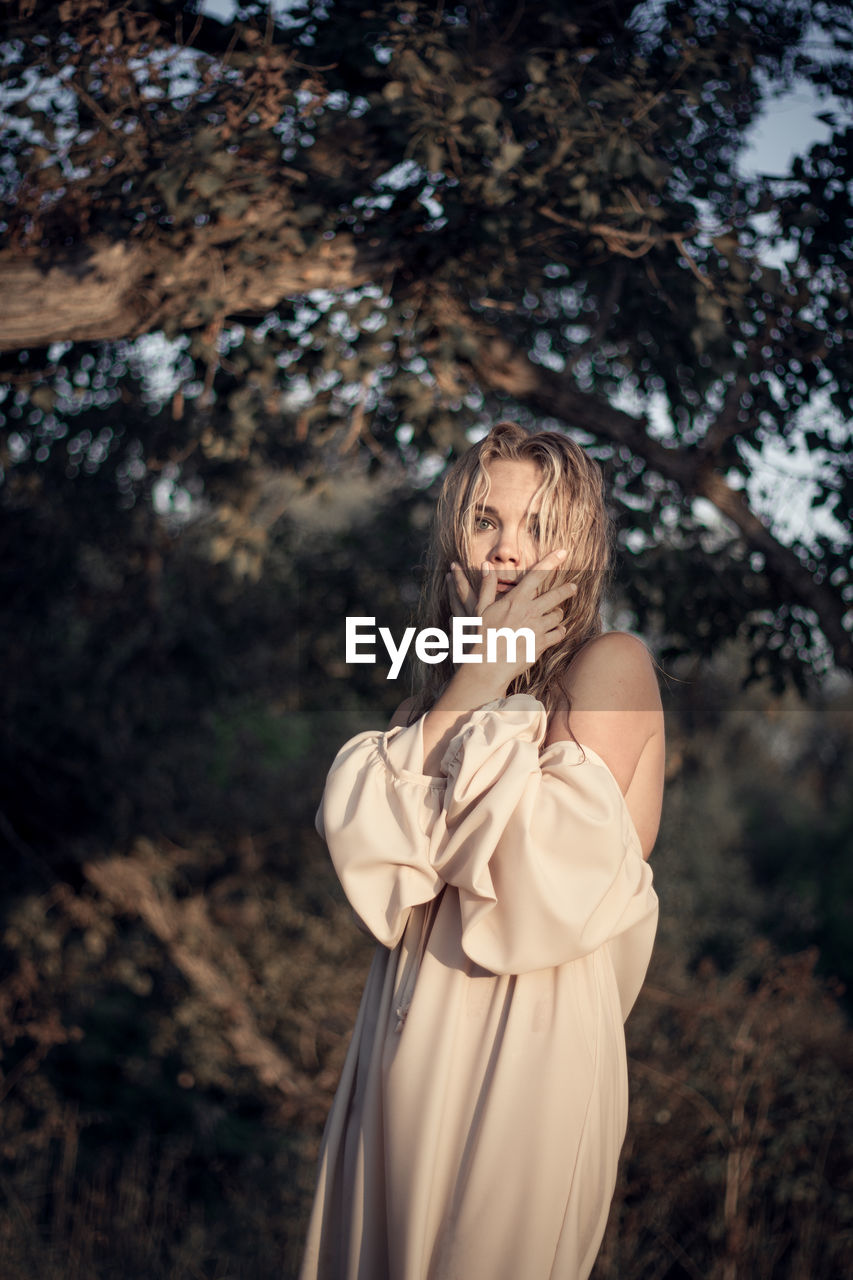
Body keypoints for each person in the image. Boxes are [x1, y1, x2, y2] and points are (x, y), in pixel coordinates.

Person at [299, 422, 663, 1280]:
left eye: (539, 526)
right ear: (453, 537)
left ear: (582, 544)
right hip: (404, 1031)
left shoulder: (611, 666)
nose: (509, 551)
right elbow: (373, 858)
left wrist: (481, 674)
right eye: (485, 521)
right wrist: (476, 674)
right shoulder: (440, 695)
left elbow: (533, 876)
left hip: (530, 1036)